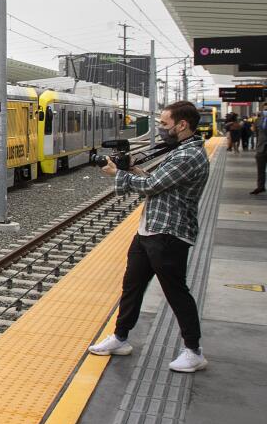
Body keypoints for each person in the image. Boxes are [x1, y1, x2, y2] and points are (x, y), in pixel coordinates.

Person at [90, 101, 211, 373]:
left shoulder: (188, 156)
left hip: (170, 233)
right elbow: (158, 183)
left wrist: (117, 174)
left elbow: (152, 185)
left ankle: (194, 350)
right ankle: (120, 338)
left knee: (176, 292)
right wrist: (132, 169)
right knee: (132, 285)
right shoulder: (181, 150)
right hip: (151, 229)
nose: (160, 129)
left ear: (182, 125)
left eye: (164, 124)